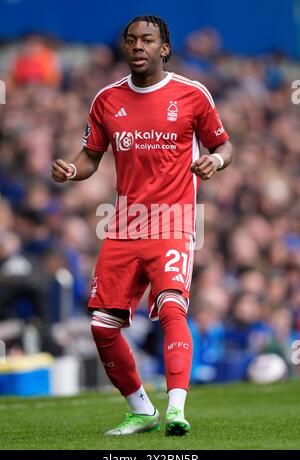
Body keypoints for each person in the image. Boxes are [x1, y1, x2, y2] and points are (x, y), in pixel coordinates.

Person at [51, 15, 233, 436]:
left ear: (164, 47)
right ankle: (142, 409)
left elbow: (223, 143)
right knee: (101, 326)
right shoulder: (106, 100)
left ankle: (176, 408)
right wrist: (69, 171)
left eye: (147, 40)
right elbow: (90, 158)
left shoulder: (192, 95)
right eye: (131, 40)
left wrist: (216, 160)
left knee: (171, 307)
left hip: (174, 221)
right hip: (123, 224)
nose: (138, 46)